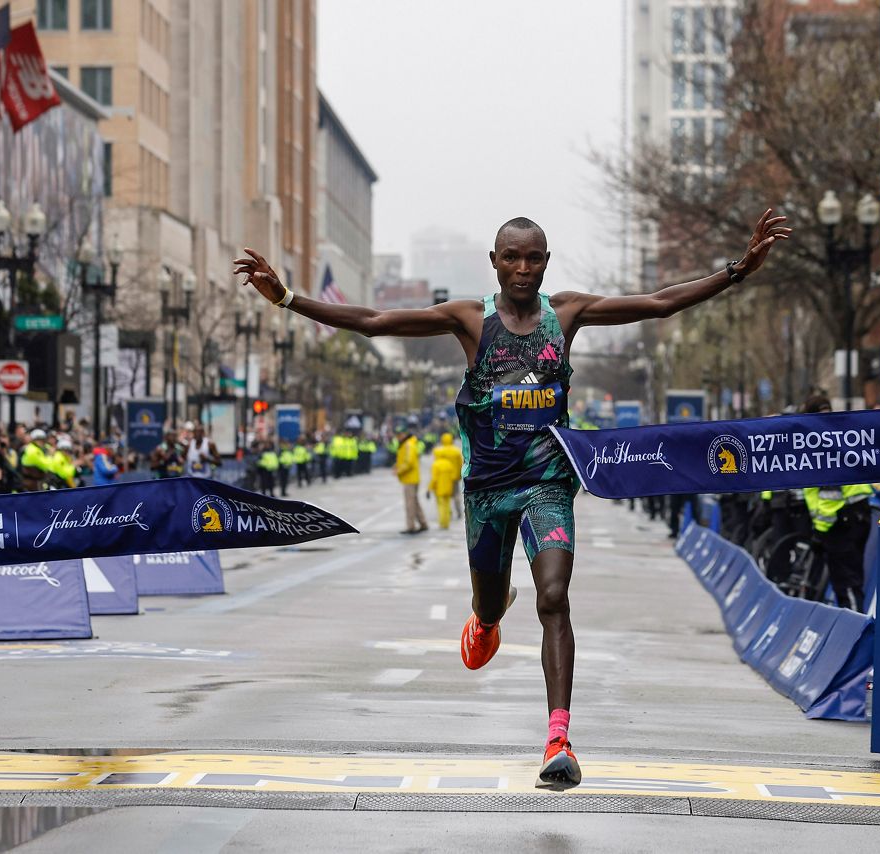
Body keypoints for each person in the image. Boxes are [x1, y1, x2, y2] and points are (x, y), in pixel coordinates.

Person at [234, 208, 788, 789]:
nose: (523, 269)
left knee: (555, 598)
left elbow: (658, 302)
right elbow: (374, 320)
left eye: (534, 258)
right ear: (494, 262)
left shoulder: (567, 314)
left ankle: (559, 737)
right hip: (488, 493)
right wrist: (288, 298)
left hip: (548, 484)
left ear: (546, 263)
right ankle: (488, 616)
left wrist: (737, 271)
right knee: (494, 602)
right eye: (512, 258)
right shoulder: (469, 320)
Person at [799, 394, 872, 611]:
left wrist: (820, 531)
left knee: (846, 583)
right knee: (853, 579)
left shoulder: (821, 442)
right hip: (858, 514)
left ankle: (855, 633)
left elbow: (830, 497)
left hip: (841, 523)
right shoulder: (841, 434)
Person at [394, 422, 427, 534]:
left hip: (410, 479)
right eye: (397, 434)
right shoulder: (406, 444)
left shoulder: (408, 444)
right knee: (414, 502)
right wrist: (397, 466)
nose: (398, 436)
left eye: (400, 434)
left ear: (404, 434)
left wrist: (399, 470)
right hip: (411, 478)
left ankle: (410, 526)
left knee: (410, 503)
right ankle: (423, 523)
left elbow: (409, 462)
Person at [428, 436, 460, 530]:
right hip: (453, 477)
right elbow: (460, 464)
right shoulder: (456, 451)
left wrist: (430, 488)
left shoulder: (439, 452)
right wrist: (458, 476)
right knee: (455, 495)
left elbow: (435, 476)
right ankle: (458, 511)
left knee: (443, 501)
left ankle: (446, 516)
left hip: (442, 479)